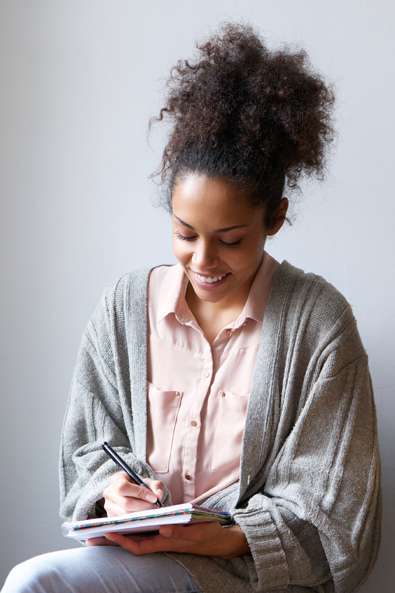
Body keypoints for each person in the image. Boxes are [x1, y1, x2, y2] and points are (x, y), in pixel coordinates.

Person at [2, 23, 381, 593]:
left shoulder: (320, 324)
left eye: (229, 239)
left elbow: (338, 517)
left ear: (274, 219)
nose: (202, 260)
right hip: (142, 561)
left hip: (251, 576)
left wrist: (226, 535)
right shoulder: (122, 310)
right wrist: (114, 491)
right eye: (184, 234)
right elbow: (86, 449)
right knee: (34, 581)